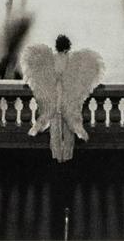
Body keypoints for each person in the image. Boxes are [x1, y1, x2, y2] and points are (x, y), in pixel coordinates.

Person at [20, 34, 104, 162]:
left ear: (57, 46)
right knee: (69, 126)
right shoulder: (72, 60)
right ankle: (68, 155)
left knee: (54, 124)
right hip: (67, 95)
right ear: (67, 47)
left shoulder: (51, 59)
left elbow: (42, 73)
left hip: (54, 95)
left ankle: (56, 155)